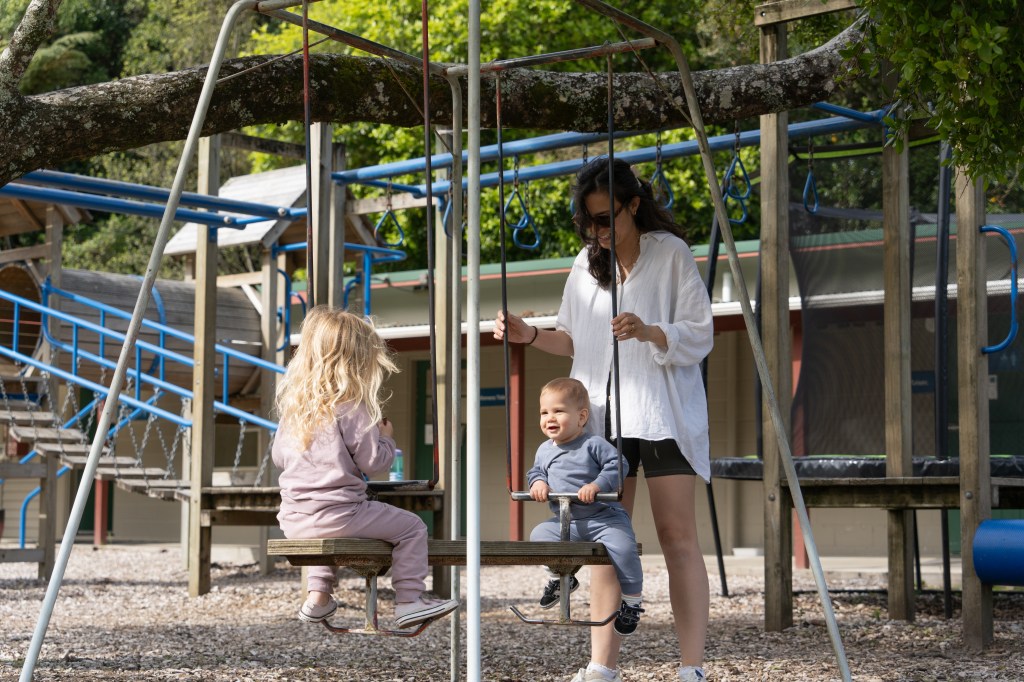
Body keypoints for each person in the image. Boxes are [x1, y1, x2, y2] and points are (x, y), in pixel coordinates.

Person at [495, 157, 713, 682]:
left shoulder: (671, 255)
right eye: (587, 222)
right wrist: (529, 335)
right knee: (601, 535)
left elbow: (699, 333)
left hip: (662, 414)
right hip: (602, 421)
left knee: (676, 535)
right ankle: (601, 665)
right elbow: (571, 340)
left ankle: (692, 668)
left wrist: (650, 331)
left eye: (604, 219)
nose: (595, 231)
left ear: (633, 206)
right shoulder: (584, 263)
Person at [272, 306, 459, 630]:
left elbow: (279, 457)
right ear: (357, 363)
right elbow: (374, 462)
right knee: (412, 527)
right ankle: (409, 600)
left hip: (294, 519)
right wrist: (385, 437)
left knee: (323, 534)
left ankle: (318, 598)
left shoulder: (295, 410)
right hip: (340, 515)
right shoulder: (351, 407)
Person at [527, 377, 643, 636]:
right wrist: (538, 483)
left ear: (581, 417)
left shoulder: (593, 444)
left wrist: (598, 484)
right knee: (538, 537)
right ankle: (560, 578)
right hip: (567, 521)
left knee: (624, 549)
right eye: (544, 412)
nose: (550, 418)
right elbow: (535, 472)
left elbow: (619, 464)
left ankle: (632, 600)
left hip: (604, 518)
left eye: (558, 411)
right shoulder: (544, 450)